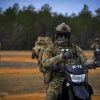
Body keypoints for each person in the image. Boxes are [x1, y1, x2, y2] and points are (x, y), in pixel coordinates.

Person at [41, 23, 93, 100]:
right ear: (56, 35)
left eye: (66, 35)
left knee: (87, 93)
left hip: (75, 78)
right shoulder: (50, 48)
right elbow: (45, 63)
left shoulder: (75, 48)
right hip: (57, 79)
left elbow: (84, 61)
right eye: (60, 35)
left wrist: (94, 62)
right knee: (51, 95)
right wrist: (62, 56)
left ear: (69, 36)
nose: (63, 37)